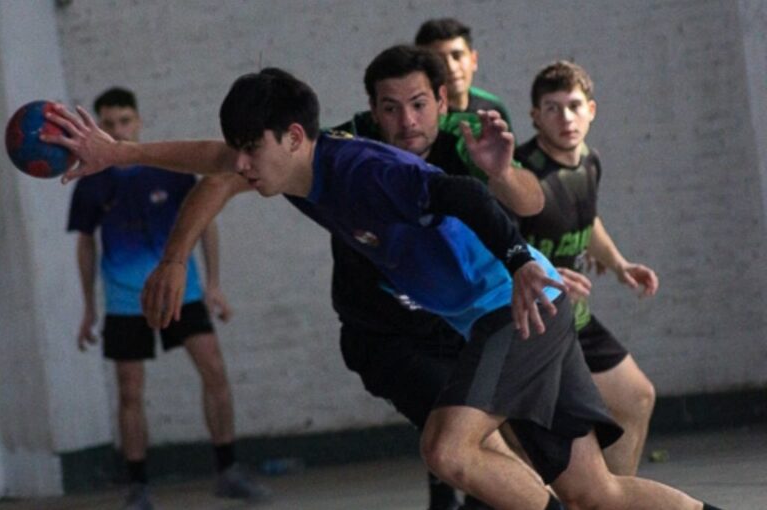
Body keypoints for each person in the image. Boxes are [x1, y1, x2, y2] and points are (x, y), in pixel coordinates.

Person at [49, 70, 722, 510]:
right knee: (594, 490)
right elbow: (213, 159)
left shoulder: (364, 171)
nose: (241, 167)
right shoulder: (290, 172)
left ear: (293, 136)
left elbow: (459, 191)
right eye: (239, 152)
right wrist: (122, 153)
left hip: (515, 309)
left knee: (446, 449)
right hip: (512, 313)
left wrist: (520, 262)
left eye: (253, 150)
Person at [333, 45, 548, 510]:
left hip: (466, 324)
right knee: (465, 451)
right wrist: (175, 257)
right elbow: (235, 166)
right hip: (389, 332)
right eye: (390, 108)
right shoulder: (346, 147)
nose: (406, 121)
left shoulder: (466, 140)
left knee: (574, 470)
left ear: (443, 102)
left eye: (419, 105)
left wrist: (503, 172)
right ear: (373, 112)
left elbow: (531, 203)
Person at [66, 87, 270, 510]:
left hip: (185, 292)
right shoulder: (89, 180)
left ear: (137, 122)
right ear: (100, 126)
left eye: (124, 121)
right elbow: (85, 245)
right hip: (125, 300)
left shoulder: (169, 170)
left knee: (214, 370)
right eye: (108, 123)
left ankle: (227, 470)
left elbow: (206, 221)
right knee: (130, 392)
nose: (117, 129)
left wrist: (213, 284)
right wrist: (88, 307)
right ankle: (138, 486)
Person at [515, 61, 658, 476]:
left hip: (573, 318)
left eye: (574, 106)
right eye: (552, 108)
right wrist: (544, 275)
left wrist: (618, 264)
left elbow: (586, 218)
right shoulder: (521, 175)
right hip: (529, 324)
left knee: (637, 397)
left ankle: (612, 500)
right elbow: (498, 244)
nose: (566, 118)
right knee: (533, 446)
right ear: (535, 116)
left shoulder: (589, 162)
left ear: (591, 110)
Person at [415, 18, 511, 123]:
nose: (451, 67)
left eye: (457, 56)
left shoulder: (493, 108)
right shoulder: (416, 115)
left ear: (473, 60)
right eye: (439, 60)